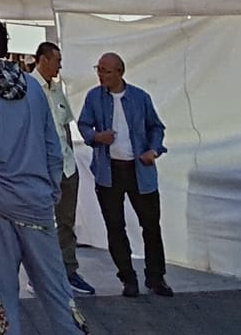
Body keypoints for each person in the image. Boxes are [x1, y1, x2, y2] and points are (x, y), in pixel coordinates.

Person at [0, 10, 86, 335]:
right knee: (57, 290)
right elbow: (53, 148)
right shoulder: (33, 88)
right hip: (38, 202)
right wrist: (50, 191)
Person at [77, 53, 171, 298]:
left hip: (139, 169)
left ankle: (155, 276)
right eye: (99, 69)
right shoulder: (94, 97)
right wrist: (96, 137)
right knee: (115, 226)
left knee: (150, 225)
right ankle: (128, 277)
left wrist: (153, 150)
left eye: (106, 71)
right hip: (109, 171)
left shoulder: (139, 97)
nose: (101, 75)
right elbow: (84, 124)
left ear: (120, 72)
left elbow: (156, 127)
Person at [32, 43, 95, 296]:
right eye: (57, 60)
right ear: (43, 59)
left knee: (66, 222)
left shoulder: (56, 89)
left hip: (66, 166)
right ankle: (41, 274)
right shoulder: (28, 88)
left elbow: (65, 124)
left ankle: (68, 270)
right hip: (42, 168)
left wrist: (69, 155)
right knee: (41, 224)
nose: (60, 66)